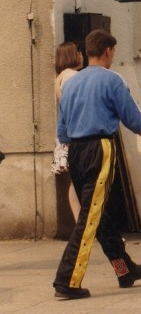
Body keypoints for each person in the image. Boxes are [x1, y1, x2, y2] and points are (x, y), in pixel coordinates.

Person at [53, 30, 141, 300]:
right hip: (100, 148)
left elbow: (62, 130)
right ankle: (67, 280)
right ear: (108, 51)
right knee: (90, 217)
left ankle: (124, 269)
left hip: (75, 150)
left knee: (99, 217)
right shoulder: (111, 80)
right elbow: (132, 117)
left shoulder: (70, 83)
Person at [52, 41, 84, 222]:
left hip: (67, 134)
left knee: (76, 181)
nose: (81, 55)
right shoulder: (72, 76)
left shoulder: (61, 77)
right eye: (78, 52)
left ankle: (80, 220)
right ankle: (82, 221)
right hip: (76, 134)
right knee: (82, 182)